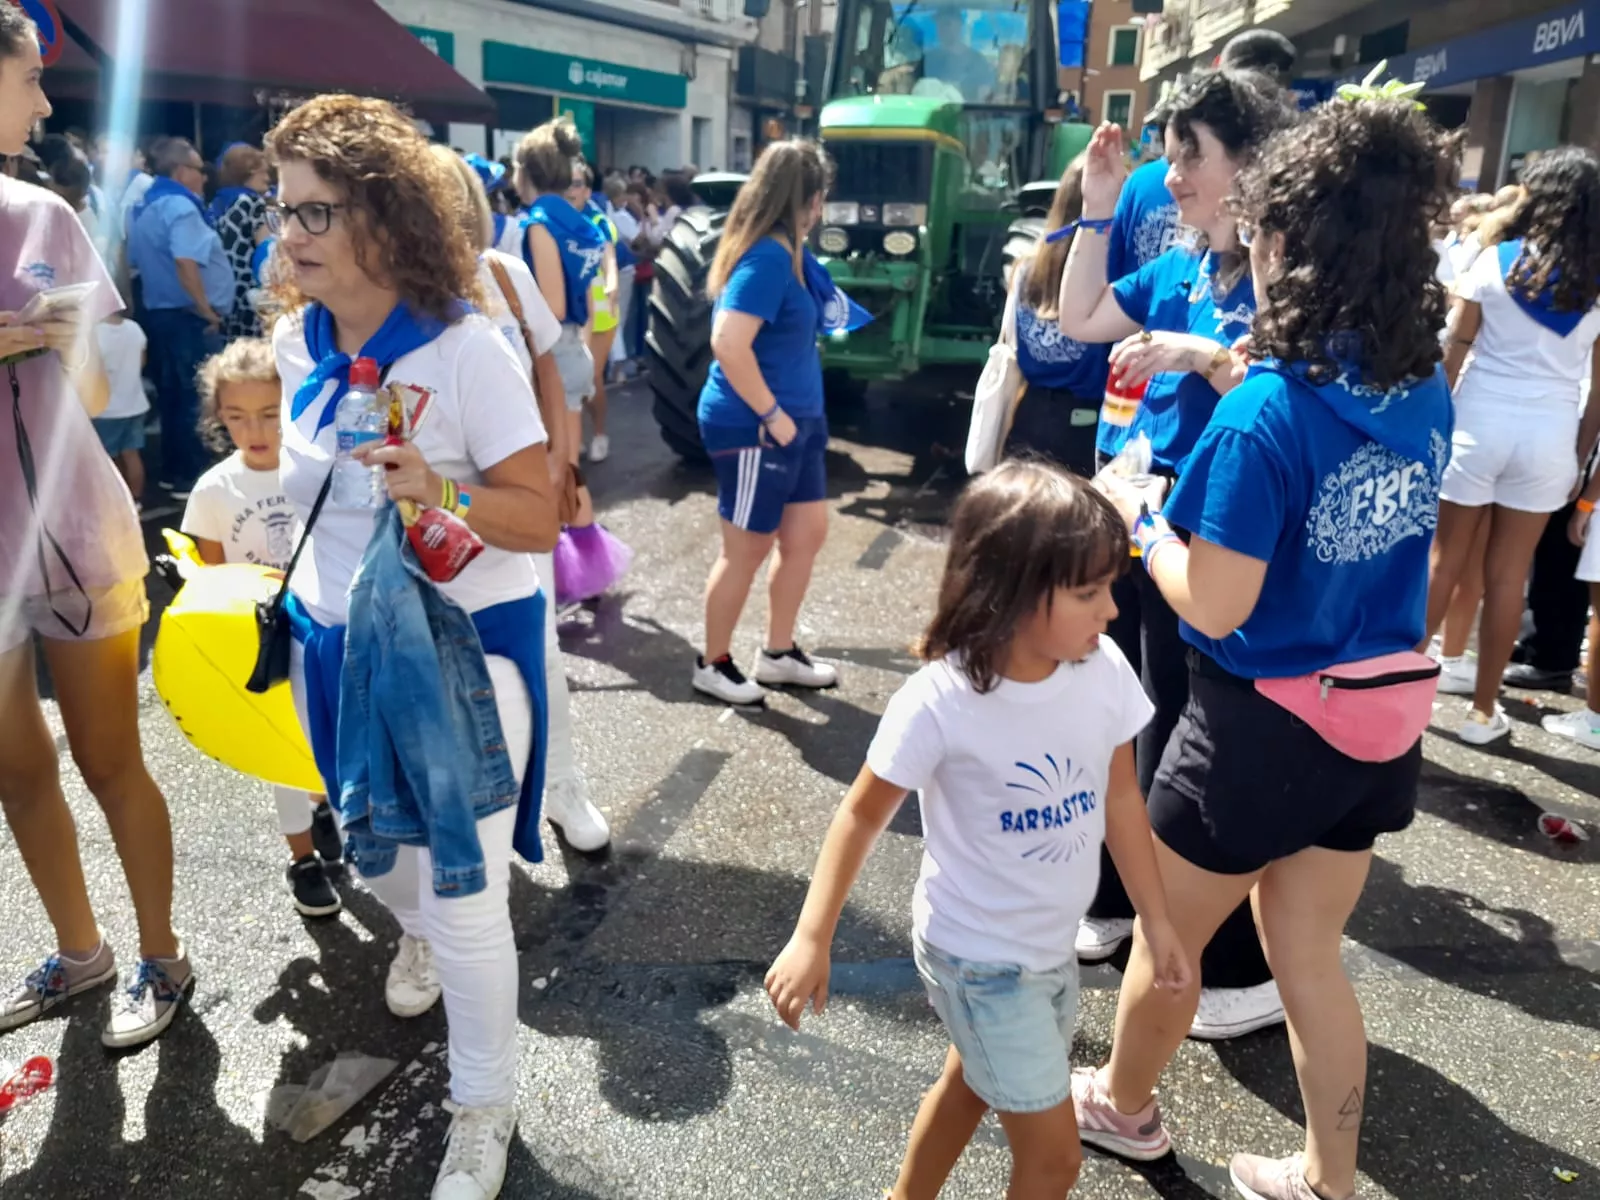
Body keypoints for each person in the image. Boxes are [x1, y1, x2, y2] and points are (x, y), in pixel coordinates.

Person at [1076, 94, 1455, 1200]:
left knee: (1168, 938)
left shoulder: (1265, 416)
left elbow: (1215, 604)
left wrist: (1140, 522)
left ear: (1286, 238)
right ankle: (1327, 1177)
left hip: (1254, 732)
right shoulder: (1420, 388)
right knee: (1309, 962)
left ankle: (1122, 1106)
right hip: (1376, 726)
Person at [267, 94, 560, 1199]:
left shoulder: (465, 348)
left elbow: (542, 513)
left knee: (465, 891)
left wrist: (443, 489)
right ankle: (420, 931)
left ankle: (483, 1105)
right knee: (378, 864)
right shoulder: (298, 338)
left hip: (460, 650)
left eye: (313, 211)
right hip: (336, 647)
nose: (289, 234)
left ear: (382, 219)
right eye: (280, 210)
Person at [765, 462, 1191, 1200]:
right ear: (1017, 591)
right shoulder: (939, 701)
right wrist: (812, 935)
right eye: (1089, 592)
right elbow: (863, 812)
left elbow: (1122, 800)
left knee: (972, 1080)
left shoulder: (1102, 669)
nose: (1112, 611)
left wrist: (1158, 921)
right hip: (977, 959)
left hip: (1046, 948)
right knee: (1056, 1159)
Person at [1058, 70, 1298, 1041]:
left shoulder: (1286, 271)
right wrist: (1093, 209)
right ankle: (1118, 903)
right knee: (1130, 722)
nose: (1174, 173)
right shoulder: (1182, 265)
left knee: (1190, 747)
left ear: (1249, 159)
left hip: (1219, 546)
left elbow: (1289, 384)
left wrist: (1197, 356)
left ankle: (1223, 965)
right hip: (1143, 523)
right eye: (1169, 151)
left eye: (1189, 152)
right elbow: (1075, 321)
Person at [0, 4, 190, 1050]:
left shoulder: (44, 213)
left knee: (108, 757)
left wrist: (43, 338)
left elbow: (100, 373)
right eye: (29, 78)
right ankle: (83, 956)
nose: (42, 100)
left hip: (73, 523)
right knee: (15, 771)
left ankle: (162, 958)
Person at [437, 143, 612, 854]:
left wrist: (561, 460)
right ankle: (469, 811)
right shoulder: (391, 291)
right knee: (447, 659)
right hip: (436, 509)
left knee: (537, 648)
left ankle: (561, 785)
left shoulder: (504, 276)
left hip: (519, 497)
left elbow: (548, 364)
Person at [1420, 147, 1600, 745]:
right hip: (1550, 436)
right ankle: (1480, 713)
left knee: (1443, 562)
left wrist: (1432, 423)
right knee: (1508, 576)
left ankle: (1401, 694)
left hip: (1476, 423)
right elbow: (1599, 393)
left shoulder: (1493, 260)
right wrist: (1578, 456)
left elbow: (1455, 350)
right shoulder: (1597, 281)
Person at [180, 338, 346, 917]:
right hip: (264, 642)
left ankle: (323, 800)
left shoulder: (314, 472)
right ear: (219, 418)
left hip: (321, 628)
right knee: (280, 752)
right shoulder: (213, 491)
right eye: (238, 417)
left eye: (271, 414)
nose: (255, 429)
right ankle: (303, 859)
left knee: (326, 733)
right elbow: (211, 582)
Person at [692, 139, 842, 705]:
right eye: (820, 197)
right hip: (758, 426)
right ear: (808, 199)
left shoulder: (788, 254)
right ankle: (713, 662)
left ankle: (777, 654)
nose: (822, 209)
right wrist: (773, 415)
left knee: (805, 536)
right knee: (747, 549)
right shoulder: (769, 258)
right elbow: (729, 342)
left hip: (795, 422)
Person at [126, 135, 233, 497]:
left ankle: (175, 473)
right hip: (187, 319)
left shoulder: (144, 204)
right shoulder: (181, 208)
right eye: (200, 169)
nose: (205, 177)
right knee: (193, 398)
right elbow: (185, 262)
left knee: (174, 397)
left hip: (160, 316)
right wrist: (207, 311)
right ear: (182, 170)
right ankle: (190, 475)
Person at [1002, 155, 1107, 477]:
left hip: (1028, 418)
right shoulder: (1109, 274)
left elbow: (1009, 343)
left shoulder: (1025, 269)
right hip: (1086, 427)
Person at [516, 119, 605, 488]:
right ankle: (580, 541)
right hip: (575, 349)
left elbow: (551, 307)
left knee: (557, 477)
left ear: (527, 173)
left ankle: (563, 543)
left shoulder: (540, 223)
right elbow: (585, 296)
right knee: (569, 473)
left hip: (552, 356)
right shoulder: (579, 222)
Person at [571, 162, 615, 463]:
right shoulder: (552, 221)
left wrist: (613, 286)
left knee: (589, 377)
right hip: (568, 313)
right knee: (567, 379)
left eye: (576, 184)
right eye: (566, 183)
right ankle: (574, 437)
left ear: (587, 190)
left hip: (600, 314)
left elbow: (609, 261)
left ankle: (599, 433)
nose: (570, 189)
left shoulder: (598, 221)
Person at [210, 143, 271, 340]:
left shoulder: (218, 202)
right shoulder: (252, 203)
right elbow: (266, 250)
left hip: (226, 293)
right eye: (263, 172)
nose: (268, 179)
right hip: (250, 293)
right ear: (249, 171)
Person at [91, 308, 149, 508]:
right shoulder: (134, 328)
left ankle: (117, 501)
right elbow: (142, 361)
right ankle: (136, 499)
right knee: (132, 454)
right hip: (135, 404)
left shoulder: (93, 334)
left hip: (105, 410)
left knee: (109, 459)